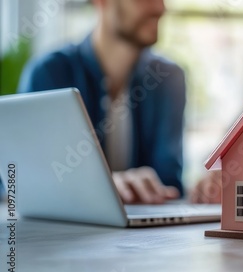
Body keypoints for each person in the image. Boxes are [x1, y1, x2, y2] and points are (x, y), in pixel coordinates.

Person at [17, 0, 184, 204]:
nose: (160, 8)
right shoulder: (49, 74)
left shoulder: (167, 78)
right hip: (72, 231)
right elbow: (21, 184)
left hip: (146, 232)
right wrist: (102, 189)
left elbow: (170, 182)